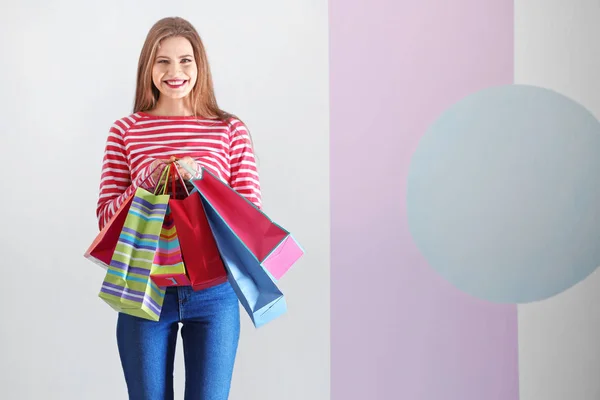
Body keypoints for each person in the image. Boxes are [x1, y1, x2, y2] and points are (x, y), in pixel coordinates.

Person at [96, 16, 261, 400]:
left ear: (199, 65)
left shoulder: (229, 130)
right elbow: (106, 220)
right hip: (143, 291)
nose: (175, 71)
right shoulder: (126, 131)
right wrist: (144, 181)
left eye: (185, 60)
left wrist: (204, 180)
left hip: (214, 293)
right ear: (148, 68)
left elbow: (250, 218)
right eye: (163, 61)